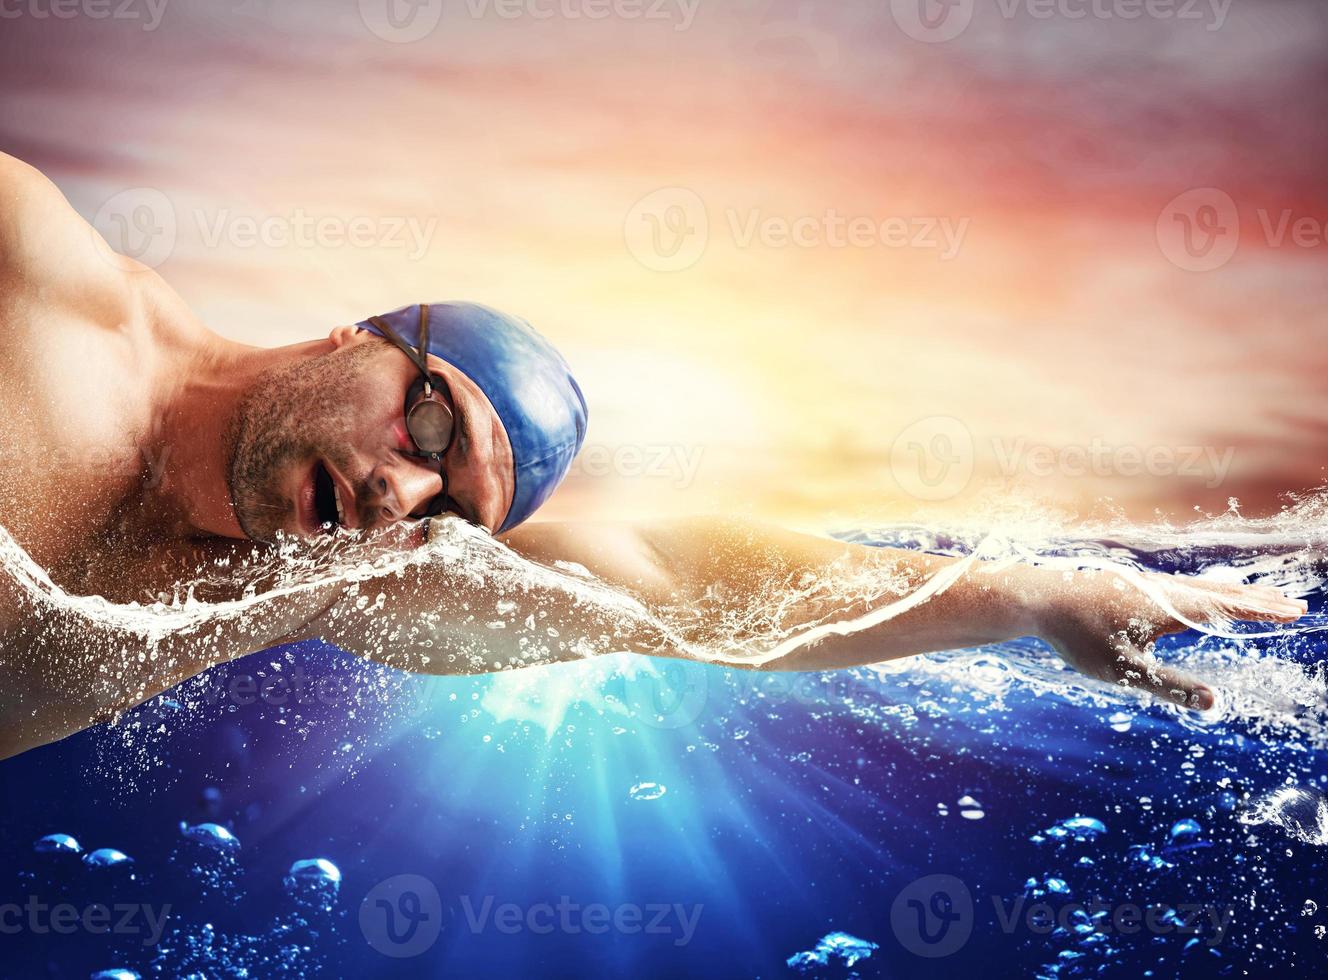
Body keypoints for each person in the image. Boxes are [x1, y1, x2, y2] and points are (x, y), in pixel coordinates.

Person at [0, 152, 1306, 760]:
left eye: (446, 506)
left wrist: (1031, 592)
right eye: (432, 420)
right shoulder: (44, 288)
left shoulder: (335, 572)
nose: (401, 487)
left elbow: (682, 584)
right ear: (362, 337)